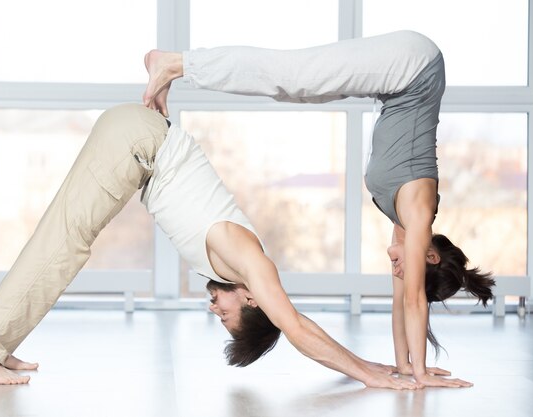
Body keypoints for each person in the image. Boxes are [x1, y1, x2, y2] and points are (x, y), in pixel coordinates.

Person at [0, 103, 417, 389]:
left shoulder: (241, 268)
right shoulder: (249, 261)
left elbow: (294, 319)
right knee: (64, 242)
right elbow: (294, 325)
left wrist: (366, 362)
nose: (215, 313)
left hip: (141, 139)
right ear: (254, 299)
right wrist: (368, 375)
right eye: (229, 317)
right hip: (137, 143)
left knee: (66, 242)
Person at [142, 30, 495, 388]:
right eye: (407, 268)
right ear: (429, 257)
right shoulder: (418, 211)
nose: (396, 270)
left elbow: (402, 302)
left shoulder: (401, 219)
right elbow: (414, 301)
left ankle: (176, 67)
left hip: (399, 81)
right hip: (416, 68)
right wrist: (422, 373)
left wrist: (405, 368)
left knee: (296, 91)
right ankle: (175, 63)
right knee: (292, 78)